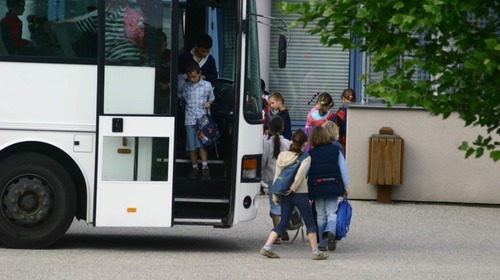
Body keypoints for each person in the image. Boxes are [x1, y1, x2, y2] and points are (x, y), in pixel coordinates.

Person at [260, 129, 329, 260]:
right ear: (305, 143)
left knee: (284, 222)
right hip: (300, 193)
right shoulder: (306, 157)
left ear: (291, 141)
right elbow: (300, 175)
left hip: (284, 193)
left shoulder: (282, 155)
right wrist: (293, 188)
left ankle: (267, 247)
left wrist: (276, 195)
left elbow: (277, 176)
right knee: (310, 222)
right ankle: (316, 252)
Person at [52, 0, 144, 64]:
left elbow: (79, 20)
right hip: (134, 58)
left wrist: (59, 23)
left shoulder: (102, 14)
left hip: (114, 61)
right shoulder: (136, 13)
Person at [307, 126, 349, 251]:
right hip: (333, 184)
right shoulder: (336, 151)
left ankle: (322, 241)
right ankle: (330, 231)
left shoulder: (311, 154)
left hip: (317, 187)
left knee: (320, 214)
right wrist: (346, 186)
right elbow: (343, 169)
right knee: (332, 212)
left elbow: (306, 172)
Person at [179, 61, 215, 181]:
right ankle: (194, 168)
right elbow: (182, 97)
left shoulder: (207, 85)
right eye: (189, 77)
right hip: (189, 119)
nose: (192, 79)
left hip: (202, 120)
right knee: (191, 146)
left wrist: (209, 103)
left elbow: (212, 97)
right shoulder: (186, 86)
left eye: (194, 76)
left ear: (200, 74)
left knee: (201, 145)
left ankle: (205, 168)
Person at [262, 116, 291, 242]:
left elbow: (264, 161)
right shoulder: (287, 143)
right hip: (286, 178)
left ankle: (277, 232)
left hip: (272, 178)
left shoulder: (268, 144)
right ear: (283, 128)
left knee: (274, 205)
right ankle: (283, 229)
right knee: (285, 204)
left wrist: (261, 172)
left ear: (270, 129)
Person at [335, 88, 356, 154]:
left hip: (343, 140)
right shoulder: (357, 112)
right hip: (354, 140)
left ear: (343, 98)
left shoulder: (340, 113)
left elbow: (337, 128)